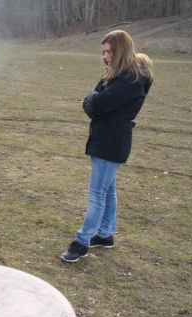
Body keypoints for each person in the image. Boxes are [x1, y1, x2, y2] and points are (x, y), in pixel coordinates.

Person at [61, 30, 153, 263]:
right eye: (103, 52)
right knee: (107, 190)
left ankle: (82, 242)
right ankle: (104, 235)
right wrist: (94, 102)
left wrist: (95, 102)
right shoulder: (115, 75)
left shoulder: (130, 80)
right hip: (105, 139)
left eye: (108, 51)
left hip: (111, 142)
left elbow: (98, 101)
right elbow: (89, 103)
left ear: (119, 50)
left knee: (96, 194)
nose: (105, 56)